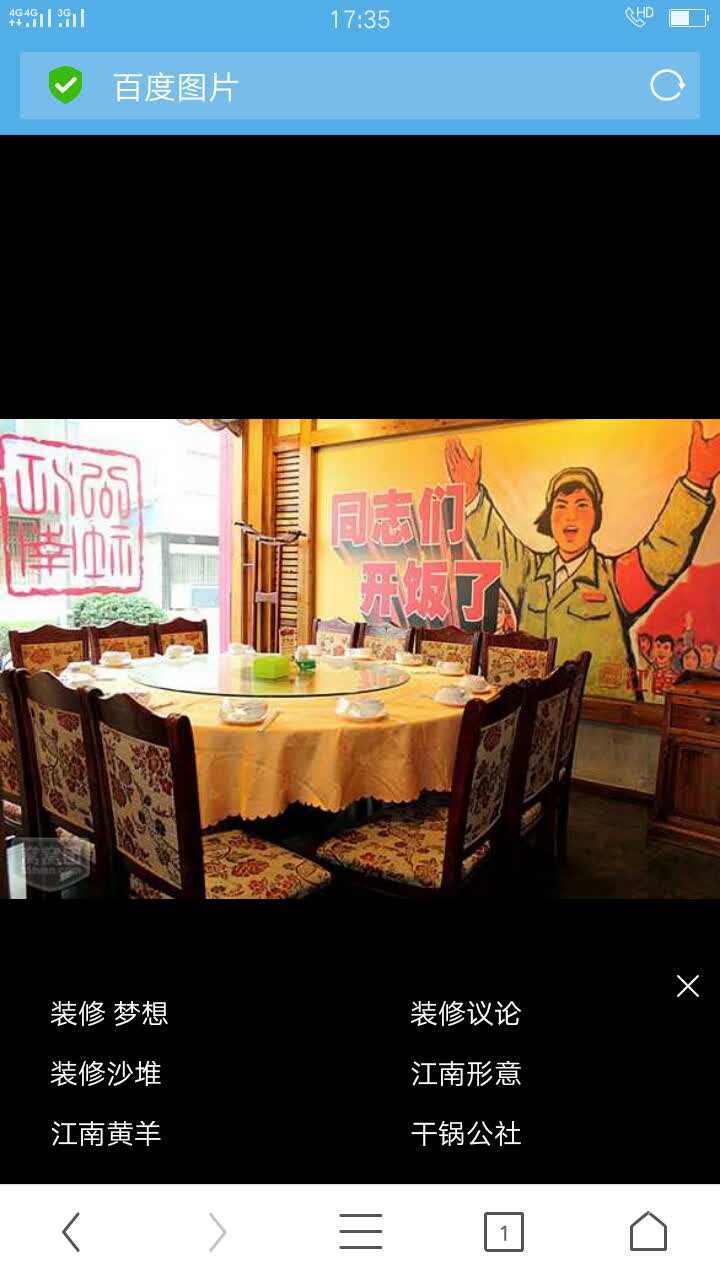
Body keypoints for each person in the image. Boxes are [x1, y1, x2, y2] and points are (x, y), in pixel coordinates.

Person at [445, 420, 720, 700]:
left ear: (596, 517)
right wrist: (471, 495)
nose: (570, 516)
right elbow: (496, 543)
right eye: (561, 506)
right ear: (550, 518)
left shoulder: (613, 578)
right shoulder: (529, 572)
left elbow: (662, 550)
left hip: (598, 709)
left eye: (582, 505)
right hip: (531, 705)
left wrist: (697, 481)